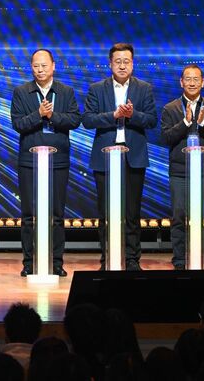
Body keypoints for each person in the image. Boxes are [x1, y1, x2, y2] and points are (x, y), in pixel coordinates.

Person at [81, 43, 157, 271]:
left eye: (126, 61)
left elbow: (152, 120)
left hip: (133, 157)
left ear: (132, 64)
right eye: (118, 62)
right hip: (105, 158)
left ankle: (132, 259)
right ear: (110, 64)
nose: (122, 66)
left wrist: (133, 115)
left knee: (132, 213)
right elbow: (88, 120)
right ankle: (108, 258)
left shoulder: (144, 88)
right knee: (106, 213)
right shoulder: (97, 88)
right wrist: (113, 115)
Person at [10, 49, 81, 277]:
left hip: (57, 160)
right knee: (29, 214)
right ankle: (29, 263)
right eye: (36, 66)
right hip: (29, 160)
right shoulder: (21, 92)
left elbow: (75, 120)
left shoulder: (66, 92)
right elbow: (18, 124)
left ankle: (56, 262)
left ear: (53, 66)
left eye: (44, 65)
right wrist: (38, 114)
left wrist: (52, 116)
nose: (40, 70)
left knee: (56, 214)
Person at [159, 65, 204, 270]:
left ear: (203, 82)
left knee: (203, 217)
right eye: (188, 79)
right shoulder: (170, 108)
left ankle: (202, 259)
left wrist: (203, 122)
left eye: (196, 79)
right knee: (179, 216)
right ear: (181, 82)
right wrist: (185, 122)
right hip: (180, 172)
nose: (192, 83)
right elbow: (166, 138)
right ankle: (180, 260)